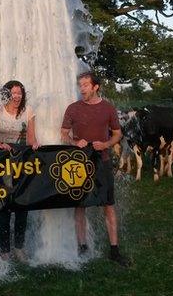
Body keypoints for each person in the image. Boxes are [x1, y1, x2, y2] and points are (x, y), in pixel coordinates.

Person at [60, 71, 129, 267]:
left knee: (108, 205)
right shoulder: (72, 108)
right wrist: (75, 141)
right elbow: (63, 133)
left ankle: (114, 250)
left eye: (85, 85)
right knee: (80, 205)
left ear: (95, 86)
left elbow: (117, 134)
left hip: (103, 161)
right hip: (79, 164)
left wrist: (106, 144)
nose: (81, 89)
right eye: (80, 85)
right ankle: (82, 247)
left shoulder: (108, 108)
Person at [0, 80, 39, 261]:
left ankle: (19, 247)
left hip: (21, 164)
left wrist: (35, 144)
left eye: (20, 93)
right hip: (2, 164)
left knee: (22, 205)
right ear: (7, 94)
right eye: (13, 93)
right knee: (4, 206)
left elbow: (31, 139)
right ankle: (4, 251)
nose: (17, 96)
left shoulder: (29, 111)